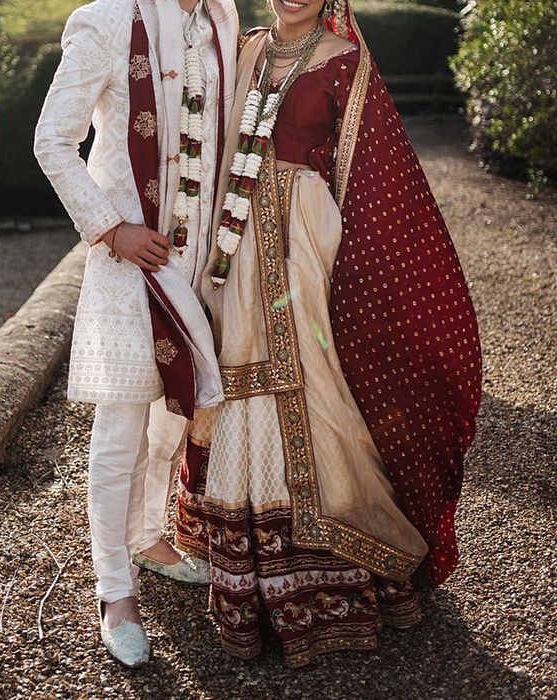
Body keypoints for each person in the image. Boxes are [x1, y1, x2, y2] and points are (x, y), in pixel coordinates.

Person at [179, 0, 482, 667]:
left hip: (301, 252)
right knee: (230, 380)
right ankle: (245, 563)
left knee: (312, 384)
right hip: (228, 249)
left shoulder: (346, 64)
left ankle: (327, 569)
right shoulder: (242, 47)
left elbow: (378, 183)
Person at [33, 0, 238, 667]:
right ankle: (114, 592)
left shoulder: (221, 22)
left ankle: (151, 538)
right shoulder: (107, 20)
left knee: (170, 422)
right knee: (120, 433)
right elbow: (51, 141)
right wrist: (109, 228)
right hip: (131, 265)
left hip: (201, 268)